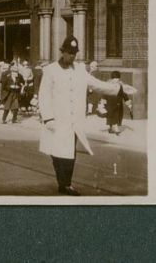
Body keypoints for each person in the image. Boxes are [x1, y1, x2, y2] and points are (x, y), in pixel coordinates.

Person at [39, 35, 121, 196]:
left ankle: (66, 184)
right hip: (56, 120)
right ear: (62, 52)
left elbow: (95, 84)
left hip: (74, 121)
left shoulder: (80, 70)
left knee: (70, 153)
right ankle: (62, 182)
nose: (72, 56)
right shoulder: (50, 70)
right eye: (69, 53)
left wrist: (117, 89)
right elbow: (44, 95)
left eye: (74, 53)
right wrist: (48, 118)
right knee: (56, 153)